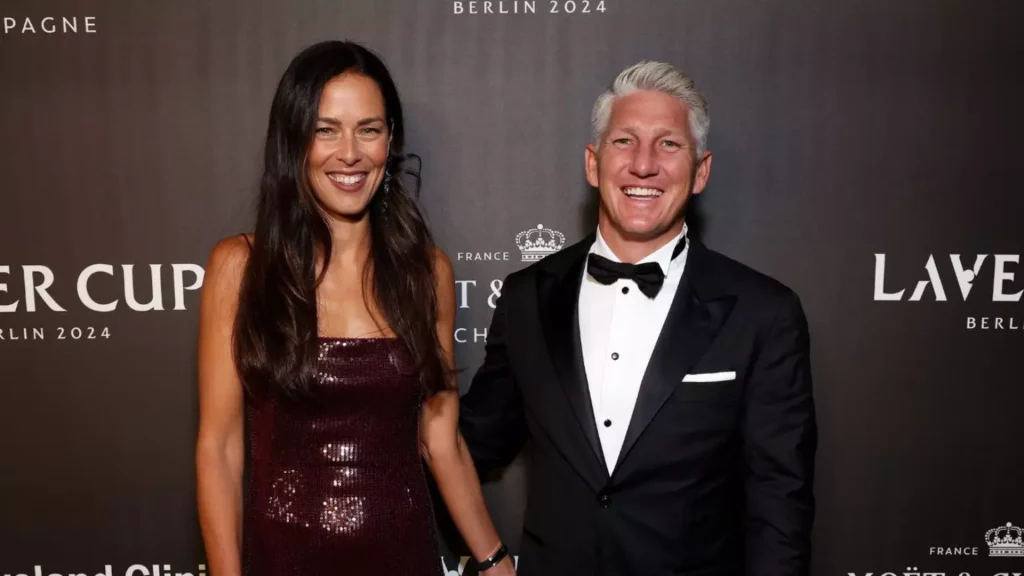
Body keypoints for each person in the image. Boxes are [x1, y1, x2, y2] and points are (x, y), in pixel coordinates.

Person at [460, 61, 817, 576]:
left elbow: (779, 500)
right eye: (624, 141)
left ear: (701, 171)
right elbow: (475, 441)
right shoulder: (525, 298)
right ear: (592, 163)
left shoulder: (764, 312)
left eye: (669, 144)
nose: (644, 165)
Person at [195, 41, 514, 576]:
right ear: (293, 141)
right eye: (326, 130)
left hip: (404, 560)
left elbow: (440, 438)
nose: (350, 153)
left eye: (369, 129)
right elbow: (219, 450)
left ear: (391, 141)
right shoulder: (241, 267)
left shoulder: (427, 272)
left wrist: (495, 561)